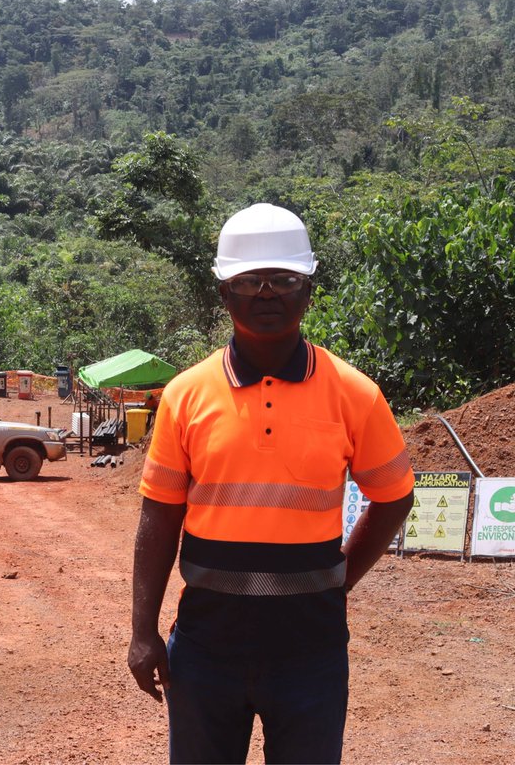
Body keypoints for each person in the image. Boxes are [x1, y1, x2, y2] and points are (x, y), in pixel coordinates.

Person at [127, 203, 415, 765]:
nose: (266, 292)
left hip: (311, 651)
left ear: (307, 289)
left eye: (283, 279)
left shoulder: (355, 394)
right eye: (249, 280)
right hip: (207, 645)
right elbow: (159, 515)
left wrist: (338, 579)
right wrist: (143, 631)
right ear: (224, 293)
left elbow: (393, 496)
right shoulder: (185, 395)